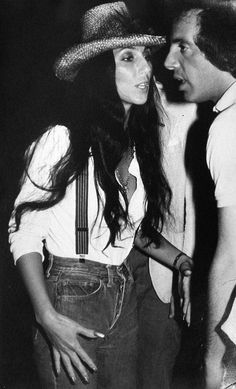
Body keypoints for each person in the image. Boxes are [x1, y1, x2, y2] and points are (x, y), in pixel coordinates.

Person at [8, 2, 193, 388]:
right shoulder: (61, 141)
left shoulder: (138, 149)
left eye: (145, 57)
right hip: (69, 297)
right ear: (100, 72)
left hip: (123, 300)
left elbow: (134, 233)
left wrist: (183, 263)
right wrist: (46, 316)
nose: (146, 69)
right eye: (128, 58)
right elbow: (23, 231)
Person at [164, 4, 236, 389]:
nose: (169, 61)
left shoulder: (229, 126)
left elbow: (231, 257)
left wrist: (212, 359)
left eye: (183, 47)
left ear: (220, 49)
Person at [132, 73, 197, 389]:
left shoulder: (192, 101)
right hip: (109, 260)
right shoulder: (124, 95)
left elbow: (193, 203)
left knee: (155, 371)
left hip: (164, 260)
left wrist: (183, 273)